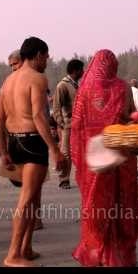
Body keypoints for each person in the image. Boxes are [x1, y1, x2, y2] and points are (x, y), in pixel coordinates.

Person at [0, 37, 65, 267]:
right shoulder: (37, 78)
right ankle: (13, 254)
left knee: (32, 197)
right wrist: (55, 149)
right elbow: (38, 116)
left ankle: (26, 247)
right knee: (26, 200)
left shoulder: (8, 81)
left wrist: (4, 151)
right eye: (45, 57)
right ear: (37, 55)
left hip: (14, 142)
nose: (46, 61)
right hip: (32, 141)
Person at [71, 49, 138, 267]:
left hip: (92, 162)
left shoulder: (83, 91)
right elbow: (129, 116)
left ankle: (96, 252)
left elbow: (76, 126)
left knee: (95, 205)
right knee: (121, 204)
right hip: (118, 159)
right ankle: (118, 253)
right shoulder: (123, 87)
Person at [52, 59, 84, 190]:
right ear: (75, 71)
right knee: (66, 153)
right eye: (81, 70)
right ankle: (64, 179)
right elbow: (56, 107)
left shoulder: (77, 84)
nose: (83, 72)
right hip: (68, 126)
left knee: (81, 152)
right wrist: (61, 123)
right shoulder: (62, 85)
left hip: (80, 125)